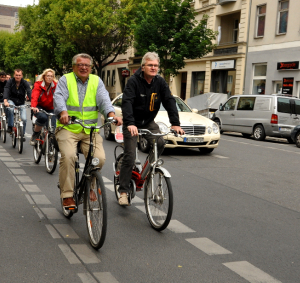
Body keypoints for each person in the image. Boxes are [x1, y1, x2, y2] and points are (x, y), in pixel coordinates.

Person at [54, 53, 123, 209]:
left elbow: (104, 100)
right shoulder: (66, 80)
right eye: (80, 65)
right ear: (74, 67)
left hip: (90, 130)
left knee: (99, 158)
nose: (84, 67)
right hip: (68, 128)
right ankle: (67, 195)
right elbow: (59, 98)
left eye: (87, 65)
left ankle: (89, 186)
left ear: (91, 68)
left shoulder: (96, 81)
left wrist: (112, 115)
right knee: (69, 156)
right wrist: (63, 112)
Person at [118, 52, 185, 206]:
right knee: (129, 155)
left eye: (155, 65)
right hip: (132, 122)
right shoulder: (133, 81)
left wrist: (175, 123)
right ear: (143, 67)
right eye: (150, 65)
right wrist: (130, 123)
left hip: (148, 122)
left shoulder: (160, 82)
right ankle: (123, 191)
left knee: (160, 142)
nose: (153, 68)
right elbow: (127, 102)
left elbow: (169, 101)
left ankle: (148, 171)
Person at [30, 68, 57, 146]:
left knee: (53, 126)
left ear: (53, 77)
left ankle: (51, 142)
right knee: (43, 117)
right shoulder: (38, 84)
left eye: (51, 76)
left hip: (51, 107)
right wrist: (34, 106)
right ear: (44, 76)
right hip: (39, 106)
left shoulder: (55, 85)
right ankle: (35, 134)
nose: (49, 78)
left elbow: (59, 97)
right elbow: (35, 95)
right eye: (48, 76)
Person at [3, 69, 31, 135]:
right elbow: (6, 89)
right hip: (11, 100)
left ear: (22, 76)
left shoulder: (25, 83)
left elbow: (29, 91)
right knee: (10, 109)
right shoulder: (10, 82)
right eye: (16, 75)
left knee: (24, 119)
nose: (18, 76)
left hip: (21, 103)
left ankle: (22, 134)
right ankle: (10, 126)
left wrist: (32, 101)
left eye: (19, 75)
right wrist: (5, 100)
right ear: (14, 75)